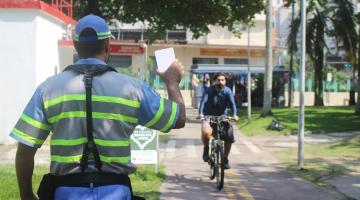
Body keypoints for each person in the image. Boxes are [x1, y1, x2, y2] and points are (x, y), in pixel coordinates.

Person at [11, 14, 185, 200]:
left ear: (75, 45)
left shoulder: (48, 89)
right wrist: (172, 82)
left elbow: (25, 151)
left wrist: (27, 195)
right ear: (108, 44)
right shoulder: (134, 89)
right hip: (117, 192)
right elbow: (179, 119)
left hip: (65, 192)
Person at [198, 72, 238, 169]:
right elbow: (203, 103)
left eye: (222, 80)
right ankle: (206, 148)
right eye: (218, 80)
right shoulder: (209, 91)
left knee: (229, 135)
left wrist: (234, 115)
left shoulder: (228, 91)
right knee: (206, 132)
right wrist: (201, 114)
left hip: (222, 116)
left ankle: (225, 159)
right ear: (214, 81)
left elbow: (233, 104)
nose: (220, 82)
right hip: (208, 115)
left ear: (225, 81)